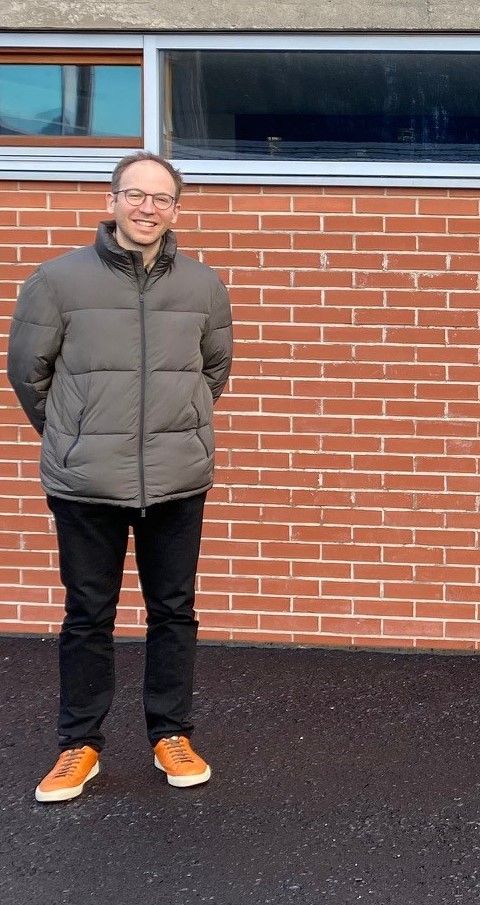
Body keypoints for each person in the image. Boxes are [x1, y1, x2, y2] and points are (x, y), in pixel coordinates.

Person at [7, 151, 234, 802]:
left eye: (161, 198)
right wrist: (76, 435)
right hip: (86, 482)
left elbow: (213, 371)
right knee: (88, 614)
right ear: (111, 201)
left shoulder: (203, 286)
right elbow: (28, 372)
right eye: (135, 194)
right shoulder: (56, 281)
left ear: (176, 210)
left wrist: (175, 426)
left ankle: (171, 734)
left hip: (176, 477)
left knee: (174, 611)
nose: (146, 208)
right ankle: (79, 745)